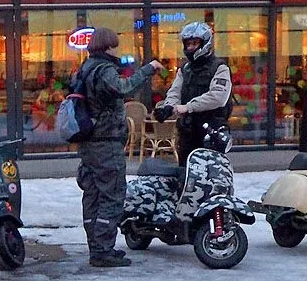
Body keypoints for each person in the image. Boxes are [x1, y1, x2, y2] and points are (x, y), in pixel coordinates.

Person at [74, 27, 162, 268]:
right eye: (115, 45)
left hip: (89, 143)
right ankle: (103, 250)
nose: (117, 49)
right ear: (108, 46)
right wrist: (148, 69)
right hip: (105, 143)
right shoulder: (104, 69)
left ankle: (96, 247)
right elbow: (123, 88)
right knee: (111, 195)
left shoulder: (85, 67)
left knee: (92, 196)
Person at [153, 22, 233, 166]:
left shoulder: (219, 67)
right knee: (185, 171)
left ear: (205, 43)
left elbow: (218, 97)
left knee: (210, 172)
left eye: (194, 43)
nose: (190, 47)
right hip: (188, 130)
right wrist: (168, 107)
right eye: (188, 44)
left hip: (211, 130)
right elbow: (175, 91)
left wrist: (188, 107)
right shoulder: (185, 69)